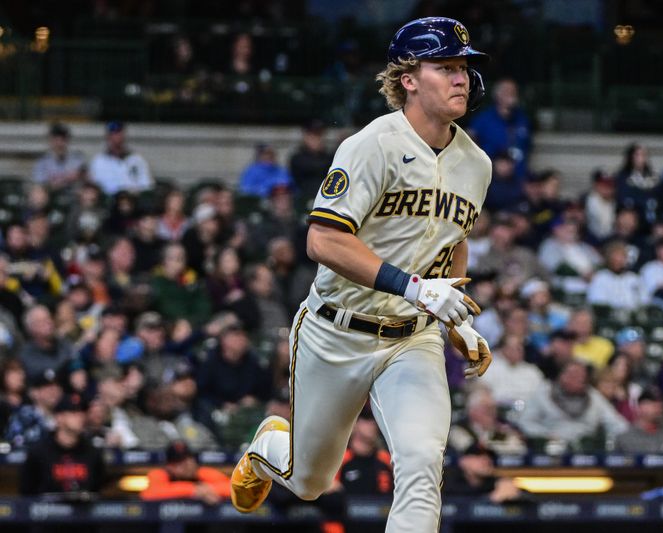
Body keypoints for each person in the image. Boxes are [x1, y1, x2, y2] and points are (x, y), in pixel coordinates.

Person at [230, 18, 492, 532]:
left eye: (463, 67)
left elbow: (453, 239)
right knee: (308, 481)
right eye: (445, 67)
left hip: (410, 340)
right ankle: (267, 446)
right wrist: (417, 288)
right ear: (409, 79)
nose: (461, 78)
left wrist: (455, 321)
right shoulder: (371, 144)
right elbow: (322, 241)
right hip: (336, 329)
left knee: (421, 462)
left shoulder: (476, 164)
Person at [19, 392, 105, 495]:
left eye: (82, 412)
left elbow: (98, 490)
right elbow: (27, 493)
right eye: (73, 413)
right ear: (59, 417)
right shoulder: (38, 452)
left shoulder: (93, 452)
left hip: (83, 509)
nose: (80, 417)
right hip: (46, 509)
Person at [468, 78, 532, 178]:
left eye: (514, 91)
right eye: (507, 91)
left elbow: (526, 147)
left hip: (519, 179)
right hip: (491, 177)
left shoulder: (522, 119)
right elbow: (469, 140)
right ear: (497, 95)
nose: (512, 94)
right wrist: (492, 164)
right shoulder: (484, 119)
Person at [141, 440, 229, 503]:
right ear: (168, 465)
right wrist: (194, 490)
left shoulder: (202, 472)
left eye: (187, 461)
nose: (185, 466)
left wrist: (210, 490)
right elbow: (149, 494)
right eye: (178, 463)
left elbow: (233, 489)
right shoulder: (159, 474)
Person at [614, 386, 663, 454]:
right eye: (653, 402)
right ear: (640, 406)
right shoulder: (626, 436)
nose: (659, 406)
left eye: (661, 402)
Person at [89, 121, 153, 195]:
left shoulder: (137, 160)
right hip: (108, 202)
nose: (116, 137)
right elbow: (95, 187)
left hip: (132, 200)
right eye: (112, 134)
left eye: (118, 133)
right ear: (107, 136)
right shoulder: (98, 161)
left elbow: (147, 186)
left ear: (124, 135)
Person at [32, 123, 87, 189]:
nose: (59, 144)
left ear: (68, 140)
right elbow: (40, 186)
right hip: (51, 196)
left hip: (73, 196)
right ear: (50, 141)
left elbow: (88, 182)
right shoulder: (42, 162)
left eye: (63, 140)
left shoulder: (78, 160)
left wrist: (80, 176)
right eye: (56, 140)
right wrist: (65, 179)